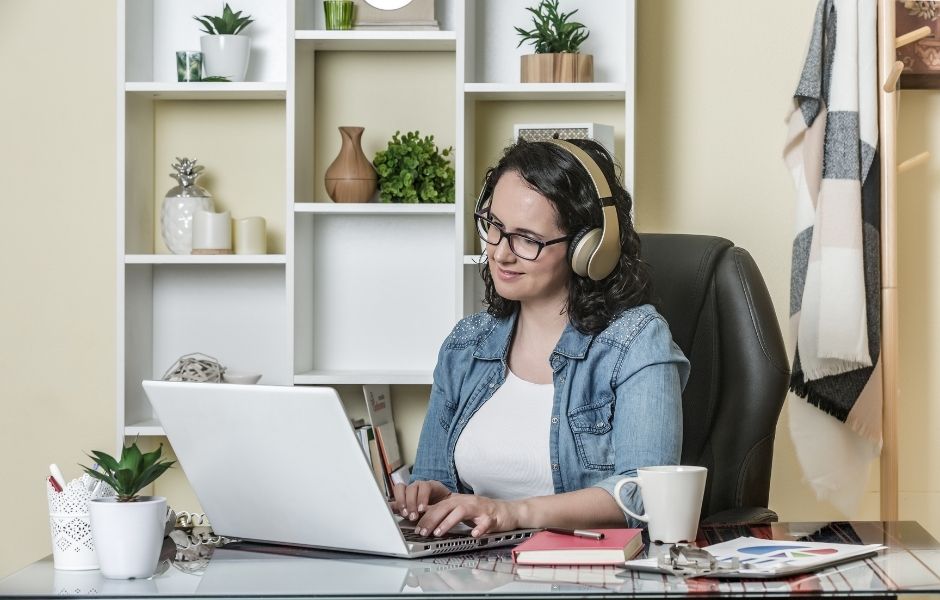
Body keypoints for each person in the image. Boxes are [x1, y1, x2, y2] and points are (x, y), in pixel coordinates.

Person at [391, 138, 690, 538]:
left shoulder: (636, 342)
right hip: (469, 576)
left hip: (587, 578)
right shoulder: (465, 345)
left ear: (590, 248)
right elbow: (435, 477)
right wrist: (432, 496)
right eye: (494, 226)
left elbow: (643, 494)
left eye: (526, 239)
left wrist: (510, 513)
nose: (499, 253)